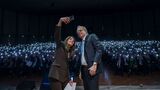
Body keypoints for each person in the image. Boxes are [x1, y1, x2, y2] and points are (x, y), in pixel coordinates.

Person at [48, 17, 76, 90]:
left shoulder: (70, 53)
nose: (72, 41)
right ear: (66, 40)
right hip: (56, 74)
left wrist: (69, 78)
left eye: (73, 41)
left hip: (65, 77)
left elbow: (67, 66)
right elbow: (57, 35)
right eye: (70, 39)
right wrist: (60, 21)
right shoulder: (60, 45)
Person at [76, 25, 103, 90]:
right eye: (78, 31)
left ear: (85, 31)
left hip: (92, 68)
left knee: (93, 88)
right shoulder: (81, 43)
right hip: (84, 70)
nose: (79, 32)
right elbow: (82, 57)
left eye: (81, 30)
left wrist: (94, 64)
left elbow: (99, 49)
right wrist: (80, 71)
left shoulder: (92, 36)